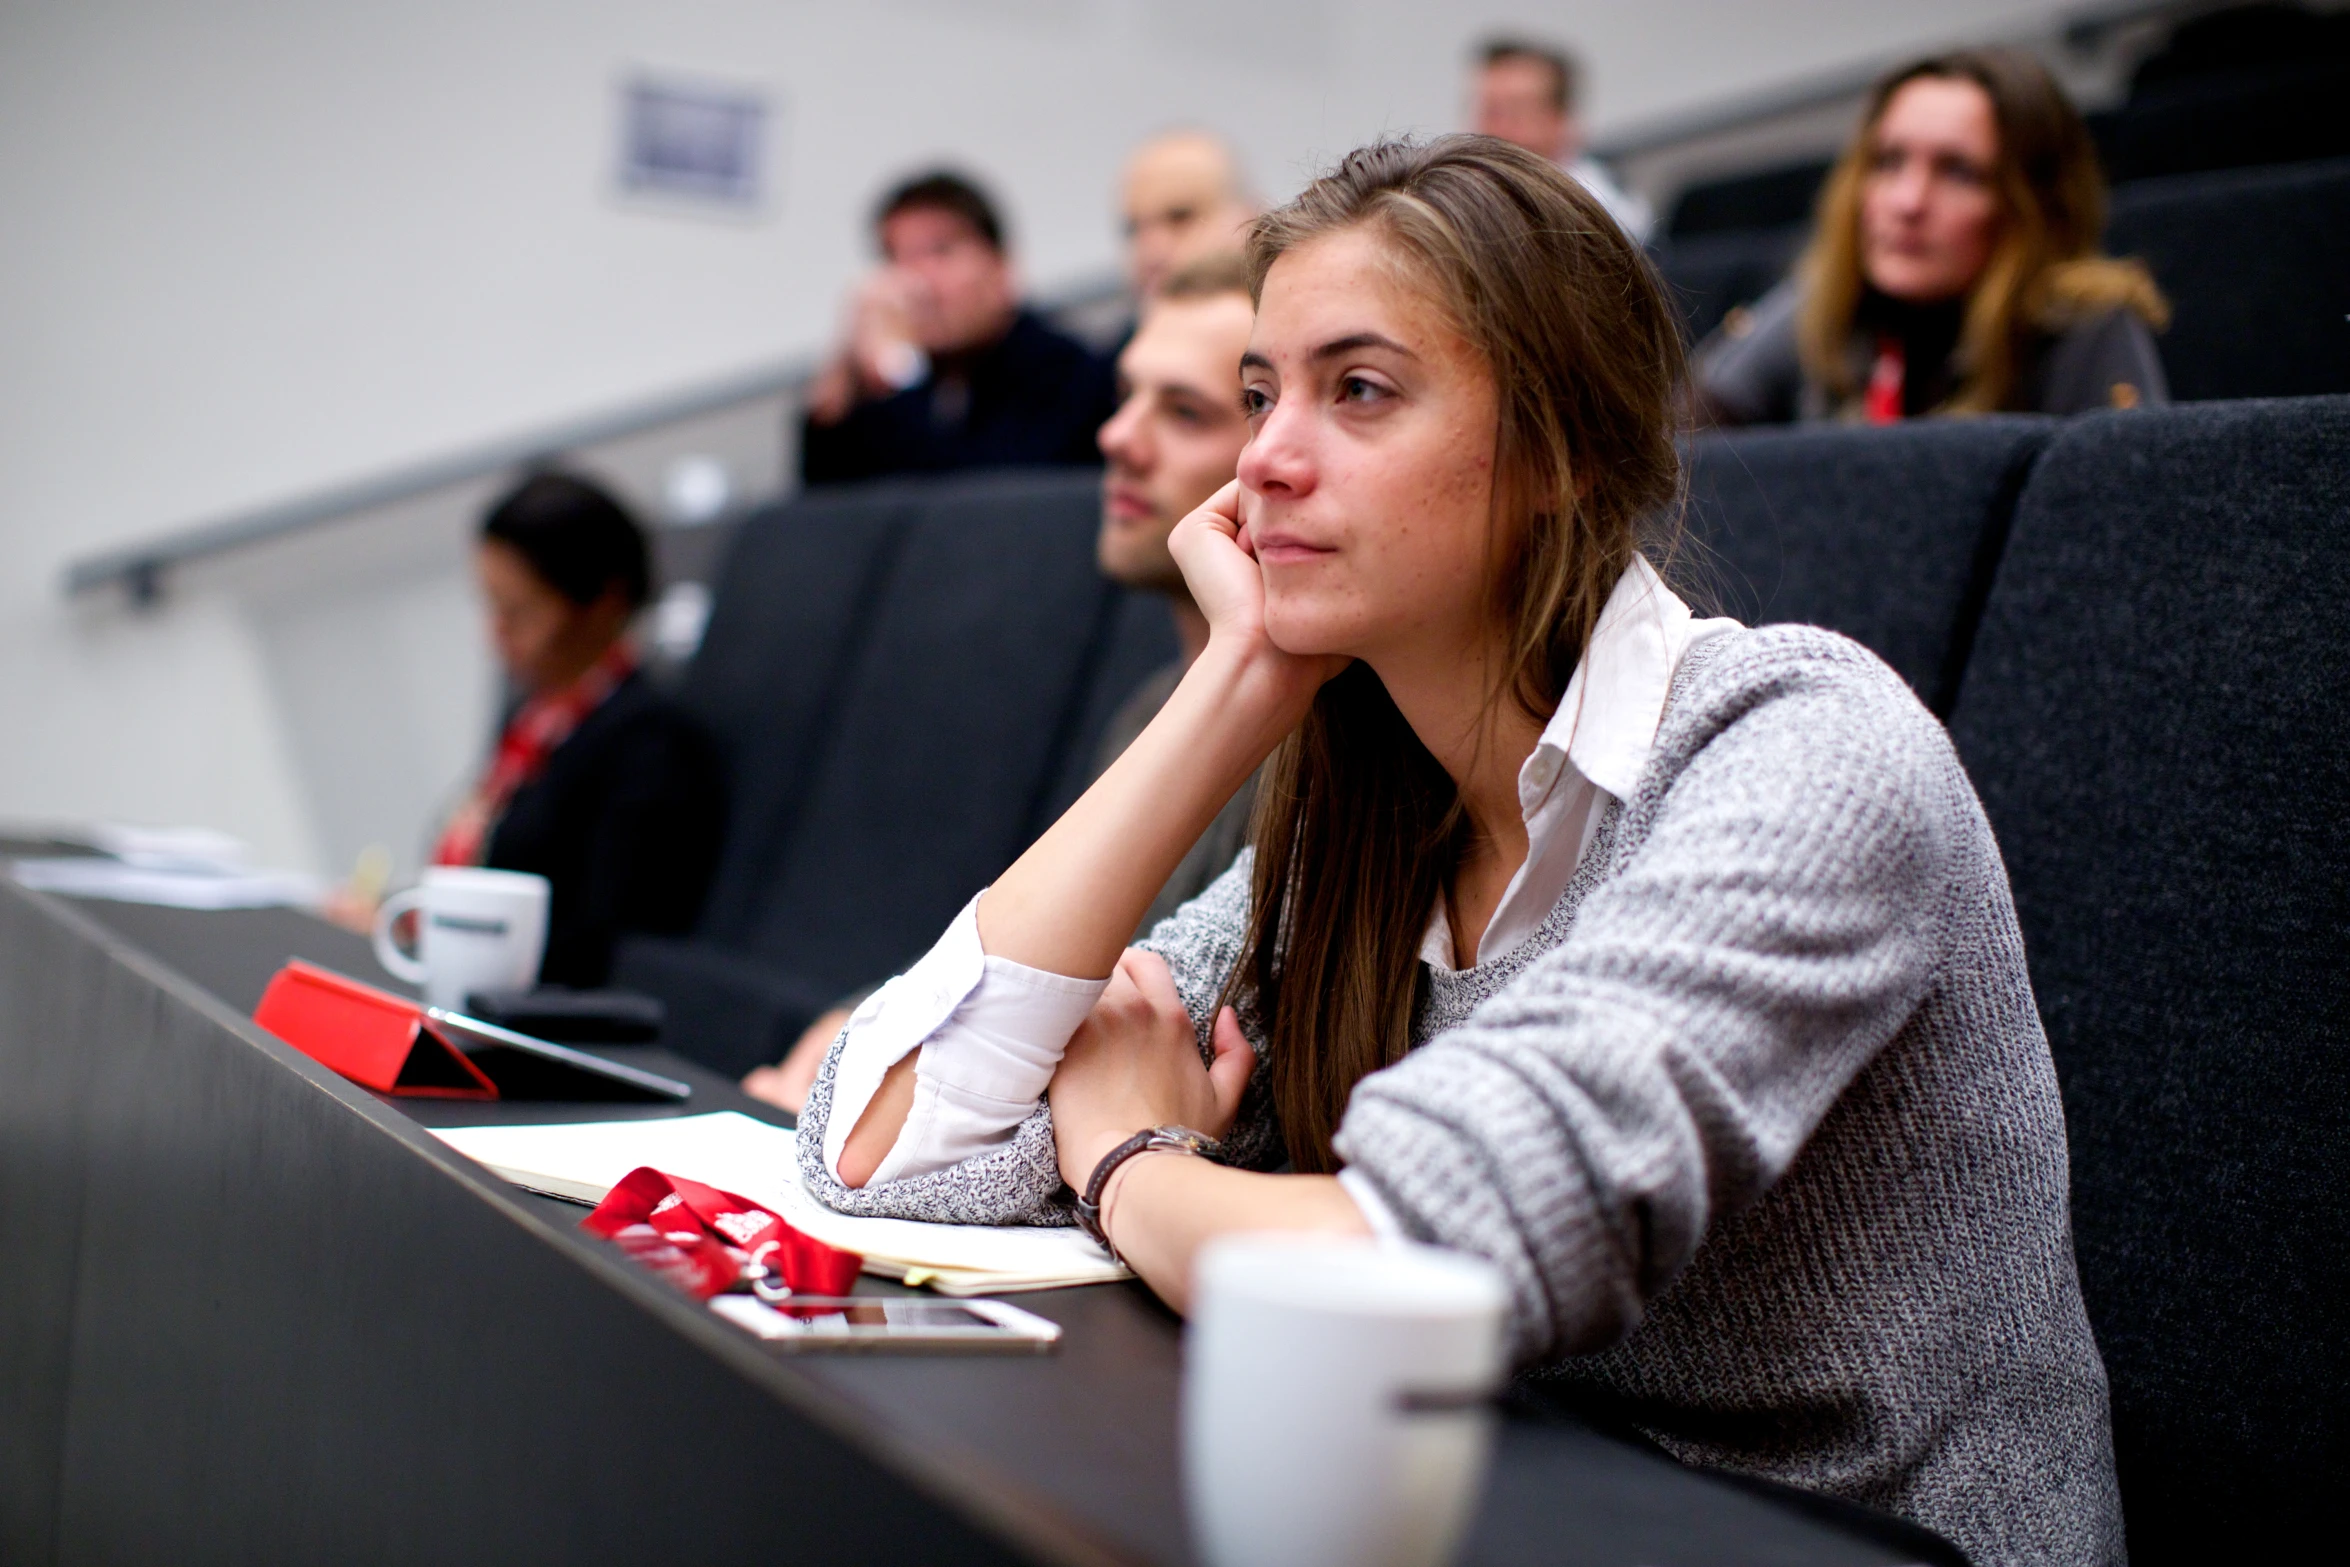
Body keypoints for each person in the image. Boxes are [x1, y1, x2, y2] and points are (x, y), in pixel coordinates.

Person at [794, 136, 2124, 1564]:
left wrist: (1130, 1155)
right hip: (1505, 1511)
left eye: (1355, 391)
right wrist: (1231, 689)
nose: (1259, 462)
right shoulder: (1360, 816)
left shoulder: (1807, 751)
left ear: (1556, 449)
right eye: (1259, 393)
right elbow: (882, 1151)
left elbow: (1420, 1255)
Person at [743, 253, 1262, 1114]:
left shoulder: (1305, 742)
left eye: (1183, 411)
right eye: (1127, 395)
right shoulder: (1149, 705)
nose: (1116, 436)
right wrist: (870, 1014)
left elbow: (1129, 1020)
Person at [1692, 49, 2168, 425]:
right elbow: (1681, 441)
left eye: (1959, 172)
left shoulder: (2084, 325)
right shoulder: (1828, 302)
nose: (1908, 202)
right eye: (1888, 162)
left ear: (2032, 204)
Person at [435, 472, 724, 988]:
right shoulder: (534, 722)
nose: (495, 637)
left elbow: (602, 943)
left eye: (518, 613)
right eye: (492, 608)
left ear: (603, 602)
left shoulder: (650, 746)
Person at [801, 170, 1117, 484]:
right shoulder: (887, 388)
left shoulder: (1072, 376)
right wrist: (843, 376)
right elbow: (830, 506)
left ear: (1002, 267)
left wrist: (901, 367)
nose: (917, 283)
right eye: (897, 258)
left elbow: (960, 498)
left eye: (941, 252)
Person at [1470, 37, 1654, 243]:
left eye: (1516, 113)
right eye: (1490, 112)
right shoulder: (1461, 202)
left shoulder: (1606, 216)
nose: (1497, 130)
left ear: (1562, 121)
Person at [1121, 131, 1260, 302]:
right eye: (1133, 228)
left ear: (1250, 220)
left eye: (1180, 217)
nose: (1152, 252)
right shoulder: (1094, 323)